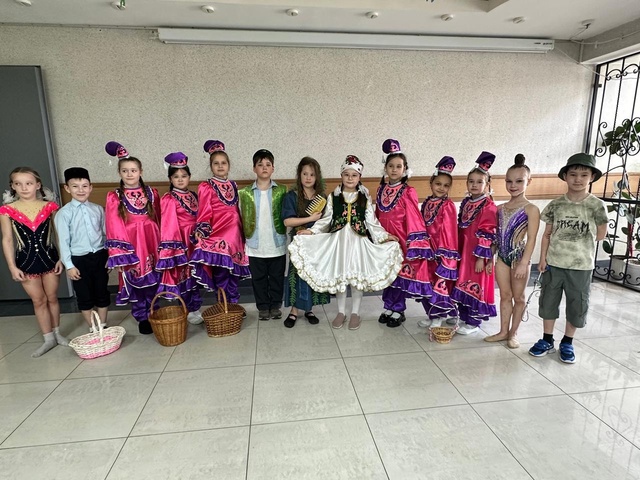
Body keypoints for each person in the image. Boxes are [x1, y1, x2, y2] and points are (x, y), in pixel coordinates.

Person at [288, 155, 403, 331]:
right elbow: (326, 219)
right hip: (339, 242)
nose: (350, 178)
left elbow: (371, 221)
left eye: (354, 175)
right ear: (341, 175)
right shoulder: (333, 196)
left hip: (358, 242)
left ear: (359, 177)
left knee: (356, 279)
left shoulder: (364, 197)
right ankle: (341, 312)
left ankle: (355, 312)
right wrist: (312, 231)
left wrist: (384, 235)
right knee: (340, 276)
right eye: (346, 174)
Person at [529, 153, 607, 363]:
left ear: (592, 177)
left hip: (581, 267)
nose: (578, 179)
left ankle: (567, 341)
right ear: (565, 176)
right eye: (573, 174)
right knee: (548, 301)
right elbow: (547, 234)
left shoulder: (596, 205)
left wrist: (579, 243)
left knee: (577, 305)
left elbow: (601, 234)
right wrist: (543, 258)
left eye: (584, 175)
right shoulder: (556, 204)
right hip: (554, 263)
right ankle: (547, 339)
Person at [0, 167, 66, 357]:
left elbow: (60, 234)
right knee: (38, 300)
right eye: (18, 184)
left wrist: (62, 258)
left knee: (52, 297)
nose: (24, 188)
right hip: (26, 262)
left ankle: (57, 333)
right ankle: (48, 338)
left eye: (28, 183)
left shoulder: (50, 207)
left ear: (37, 185)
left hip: (50, 258)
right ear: (12, 186)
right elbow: (7, 239)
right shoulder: (7, 210)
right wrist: (12, 267)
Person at [375, 139, 434, 328]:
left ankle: (398, 310)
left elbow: (414, 217)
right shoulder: (381, 189)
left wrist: (414, 242)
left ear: (405, 169)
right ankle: (389, 305)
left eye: (398, 166)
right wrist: (376, 236)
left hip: (402, 238)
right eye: (391, 166)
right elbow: (377, 215)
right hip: (385, 238)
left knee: (400, 273)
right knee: (388, 273)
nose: (394, 169)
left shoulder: (408, 191)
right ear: (385, 168)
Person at [104, 141, 161, 335]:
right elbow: (113, 225)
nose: (129, 174)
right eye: (125, 171)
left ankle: (154, 311)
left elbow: (159, 218)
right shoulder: (115, 196)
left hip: (151, 239)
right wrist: (120, 254)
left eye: (133, 170)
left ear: (140, 172)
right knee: (136, 277)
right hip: (131, 243)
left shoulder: (152, 193)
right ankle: (142, 315)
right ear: (119, 173)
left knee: (153, 277)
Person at [485, 154, 540, 348]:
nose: (513, 185)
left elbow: (532, 238)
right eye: (509, 181)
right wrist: (489, 258)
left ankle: (513, 333)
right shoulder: (499, 208)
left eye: (519, 181)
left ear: (528, 181)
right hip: (502, 257)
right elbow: (495, 236)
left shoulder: (531, 209)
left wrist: (524, 263)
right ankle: (503, 331)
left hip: (519, 258)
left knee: (519, 297)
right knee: (505, 295)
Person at [191, 140, 250, 304]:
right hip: (219, 233)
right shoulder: (206, 186)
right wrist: (201, 229)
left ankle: (233, 305)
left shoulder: (233, 185)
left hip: (235, 234)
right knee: (221, 271)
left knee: (233, 272)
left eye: (223, 163)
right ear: (211, 166)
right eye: (216, 163)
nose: (220, 166)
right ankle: (223, 306)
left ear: (228, 165)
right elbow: (204, 211)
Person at [54, 167, 110, 333]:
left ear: (90, 187)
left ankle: (103, 326)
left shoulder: (98, 209)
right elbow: (63, 242)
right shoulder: (64, 213)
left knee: (102, 292)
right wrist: (69, 266)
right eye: (75, 186)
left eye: (85, 186)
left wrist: (110, 256)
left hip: (99, 256)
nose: (81, 190)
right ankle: (93, 328)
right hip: (79, 260)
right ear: (67, 188)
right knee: (84, 295)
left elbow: (106, 234)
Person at [451, 151, 498, 334]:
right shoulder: (467, 202)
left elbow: (487, 233)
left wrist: (481, 259)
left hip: (478, 254)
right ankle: (464, 316)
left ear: (487, 185)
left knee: (475, 282)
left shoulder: (488, 206)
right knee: (463, 280)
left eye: (479, 182)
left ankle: (473, 321)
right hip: (465, 251)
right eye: (471, 181)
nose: (475, 185)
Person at [238, 149, 288, 321]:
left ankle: (275, 305)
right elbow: (239, 216)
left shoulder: (282, 190)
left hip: (276, 243)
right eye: (260, 164)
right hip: (254, 244)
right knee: (258, 278)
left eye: (268, 164)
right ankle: (263, 307)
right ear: (254, 168)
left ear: (273, 168)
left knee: (277, 277)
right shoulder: (244, 193)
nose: (264, 167)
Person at [281, 156, 330, 328]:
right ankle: (294, 311)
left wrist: (315, 227)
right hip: (299, 242)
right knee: (297, 274)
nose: (308, 178)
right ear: (299, 175)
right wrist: (310, 218)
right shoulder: (292, 196)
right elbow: (287, 221)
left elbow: (326, 222)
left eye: (312, 174)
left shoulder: (322, 198)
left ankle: (309, 309)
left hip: (316, 242)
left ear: (317, 177)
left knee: (312, 274)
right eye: (305, 174)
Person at [156, 152, 203, 325]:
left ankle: (196, 307)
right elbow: (168, 225)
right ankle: (187, 309)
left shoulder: (194, 195)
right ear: (170, 179)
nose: (180, 179)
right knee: (183, 274)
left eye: (184, 176)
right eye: (176, 176)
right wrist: (174, 249)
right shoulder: (169, 198)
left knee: (195, 274)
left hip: (195, 240)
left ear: (189, 177)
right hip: (180, 241)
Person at [418, 156, 460, 328]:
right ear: (431, 183)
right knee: (426, 282)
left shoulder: (448, 205)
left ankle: (439, 316)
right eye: (438, 184)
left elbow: (449, 232)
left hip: (440, 252)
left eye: (446, 185)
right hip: (427, 250)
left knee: (439, 283)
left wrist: (444, 255)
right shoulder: (427, 202)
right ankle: (432, 314)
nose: (441, 188)